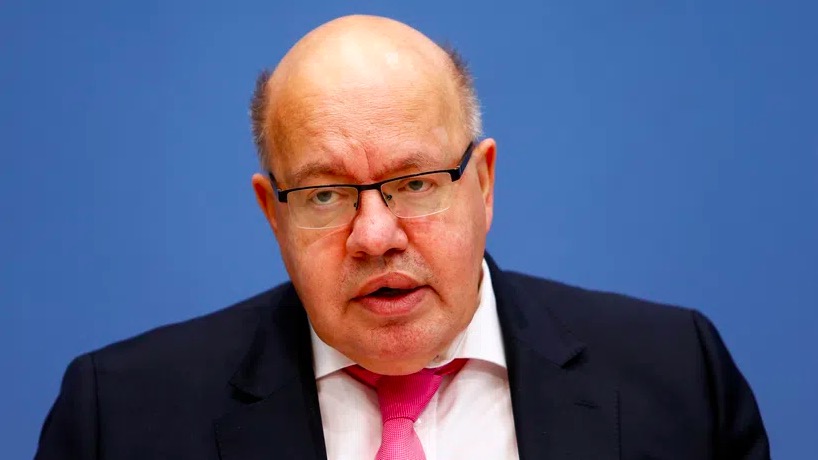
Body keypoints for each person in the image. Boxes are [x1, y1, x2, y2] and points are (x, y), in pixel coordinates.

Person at [36, 14, 770, 460]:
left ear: (483, 184)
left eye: (415, 183)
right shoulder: (119, 419)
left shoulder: (678, 377)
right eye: (325, 194)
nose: (375, 236)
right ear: (274, 215)